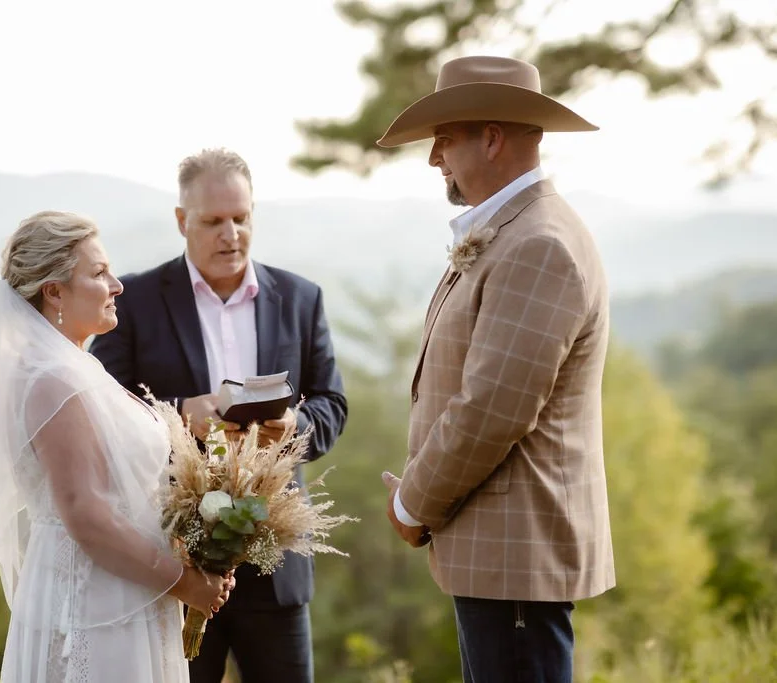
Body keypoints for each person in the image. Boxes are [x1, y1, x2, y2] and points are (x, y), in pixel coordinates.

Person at [377, 56, 616, 683]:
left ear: (491, 138)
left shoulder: (537, 243)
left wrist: (412, 503)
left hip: (517, 552)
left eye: (444, 138)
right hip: (500, 554)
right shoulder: (517, 231)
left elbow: (492, 409)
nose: (434, 158)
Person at [90, 148, 347, 683]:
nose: (231, 234)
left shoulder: (301, 298)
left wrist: (294, 428)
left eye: (241, 218)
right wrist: (180, 415)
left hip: (276, 564)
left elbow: (332, 405)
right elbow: (97, 407)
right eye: (213, 221)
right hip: (173, 557)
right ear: (181, 220)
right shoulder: (134, 301)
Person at [0, 210, 234, 683]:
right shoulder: (53, 381)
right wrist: (186, 584)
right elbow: (88, 517)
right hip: (94, 606)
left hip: (130, 589)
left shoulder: (77, 368)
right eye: (100, 273)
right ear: (54, 291)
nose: (117, 285)